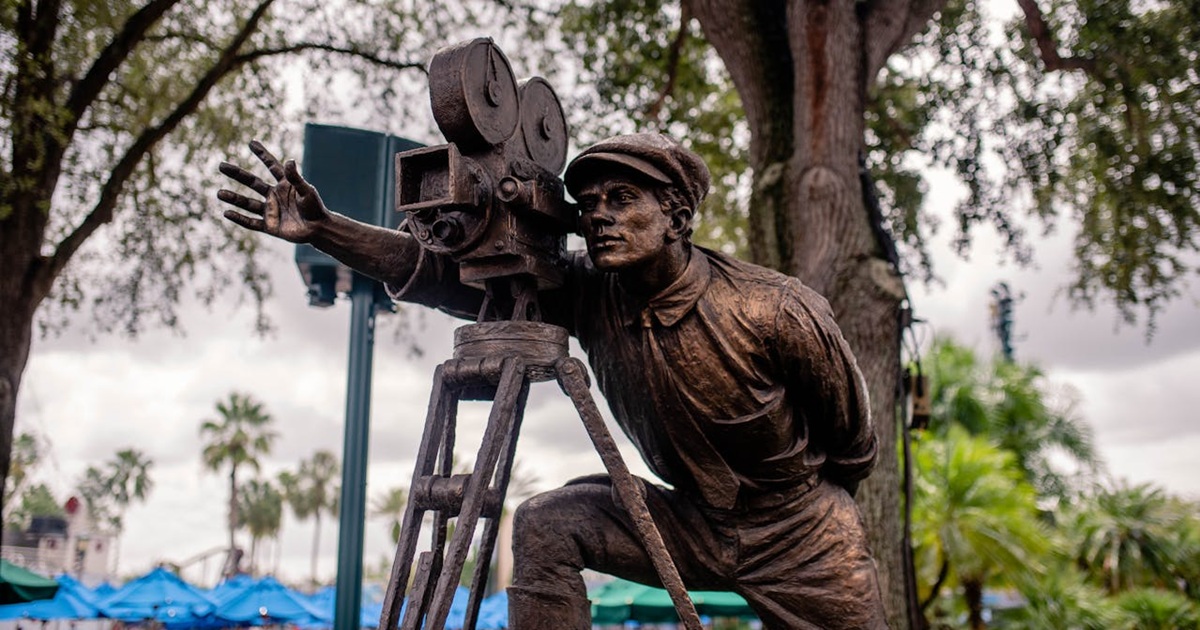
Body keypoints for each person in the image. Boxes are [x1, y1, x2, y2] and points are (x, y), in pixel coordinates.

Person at [218, 133, 888, 629]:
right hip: (693, 522)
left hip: (804, 535)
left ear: (679, 217)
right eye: (589, 203)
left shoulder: (776, 309)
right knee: (548, 521)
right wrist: (327, 230)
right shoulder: (591, 292)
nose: (598, 215)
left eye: (623, 200)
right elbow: (446, 278)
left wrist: (803, 519)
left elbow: (854, 444)